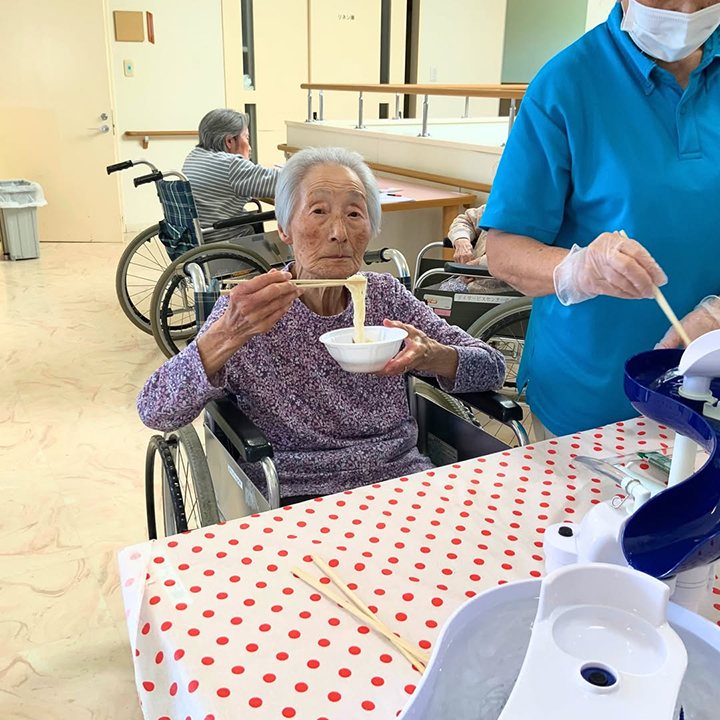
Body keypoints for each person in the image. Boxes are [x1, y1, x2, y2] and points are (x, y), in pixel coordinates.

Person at [138, 147, 506, 503]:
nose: (339, 233)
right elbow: (156, 410)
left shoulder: (385, 296)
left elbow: (492, 367)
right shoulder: (251, 310)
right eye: (318, 211)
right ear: (285, 228)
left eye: (354, 213)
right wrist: (227, 334)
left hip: (400, 478)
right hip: (292, 492)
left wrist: (433, 356)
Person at [481, 0, 720, 439]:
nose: (687, 10)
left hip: (710, 392)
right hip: (589, 404)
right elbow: (504, 250)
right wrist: (579, 269)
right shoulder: (567, 83)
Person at [182, 108, 279, 240]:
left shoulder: (194, 157)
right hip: (229, 241)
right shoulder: (230, 165)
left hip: (201, 240)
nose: (249, 147)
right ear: (229, 141)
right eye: (246, 138)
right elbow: (281, 182)